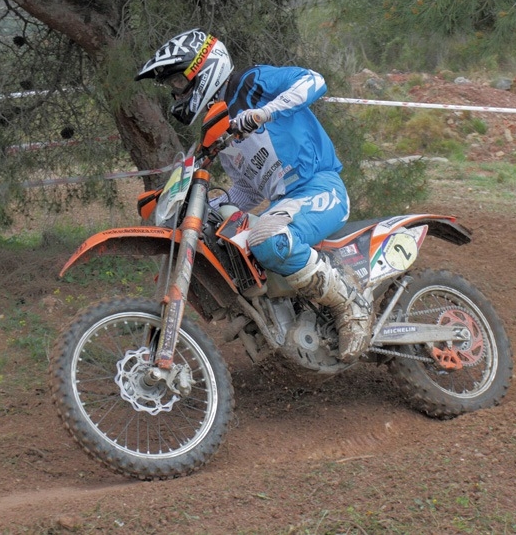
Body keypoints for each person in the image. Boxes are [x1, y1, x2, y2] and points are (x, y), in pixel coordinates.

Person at [135, 28, 372, 363]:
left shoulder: (253, 83)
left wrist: (266, 111)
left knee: (267, 239)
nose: (176, 93)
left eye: (177, 83)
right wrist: (203, 207)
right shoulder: (218, 129)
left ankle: (351, 304)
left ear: (201, 69)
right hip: (285, 205)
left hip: (321, 187)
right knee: (222, 238)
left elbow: (313, 80)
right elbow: (247, 190)